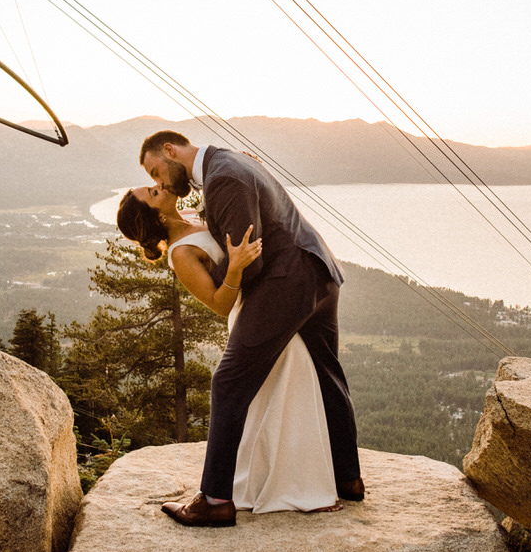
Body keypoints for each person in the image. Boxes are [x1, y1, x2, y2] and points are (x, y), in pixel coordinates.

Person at [136, 130, 364, 527]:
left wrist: (226, 269)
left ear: (170, 151)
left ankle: (216, 499)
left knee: (228, 381)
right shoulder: (229, 163)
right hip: (318, 270)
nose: (160, 182)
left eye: (157, 171)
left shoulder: (223, 177)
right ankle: (348, 477)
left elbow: (251, 259)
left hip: (287, 281)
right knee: (328, 372)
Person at [117, 184, 340, 515]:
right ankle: (282, 488)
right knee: (270, 399)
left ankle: (303, 484)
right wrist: (235, 267)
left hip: (272, 307)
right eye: (152, 191)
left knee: (291, 392)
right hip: (251, 315)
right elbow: (218, 303)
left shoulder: (195, 214)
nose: (159, 185)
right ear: (158, 214)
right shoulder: (181, 253)